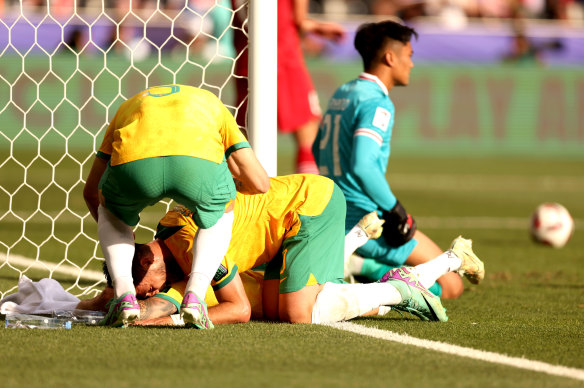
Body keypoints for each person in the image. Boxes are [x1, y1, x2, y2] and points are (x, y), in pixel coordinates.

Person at [91, 174, 484, 326]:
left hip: (309, 206)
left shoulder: (190, 245)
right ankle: (361, 247)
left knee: (298, 312)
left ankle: (401, 287)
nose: (146, 294)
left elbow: (237, 310)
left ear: (146, 259)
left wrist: (164, 321)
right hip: (282, 229)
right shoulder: (169, 243)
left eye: (141, 287)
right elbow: (171, 297)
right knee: (279, 307)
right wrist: (93, 306)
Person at [312, 20, 484, 298]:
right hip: (368, 222)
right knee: (452, 285)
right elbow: (363, 165)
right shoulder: (377, 101)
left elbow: (316, 148)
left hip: (331, 215)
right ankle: (363, 265)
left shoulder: (343, 92)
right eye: (409, 55)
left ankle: (358, 262)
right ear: (390, 57)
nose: (412, 64)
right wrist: (396, 211)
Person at [83, 84, 270, 328]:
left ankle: (124, 295)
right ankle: (196, 297)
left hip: (134, 166)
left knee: (111, 213)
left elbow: (90, 191)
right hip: (197, 165)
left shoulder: (129, 106)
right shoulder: (211, 103)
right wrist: (227, 191)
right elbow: (261, 184)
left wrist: (121, 230)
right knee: (221, 213)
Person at [230, 0, 346, 173]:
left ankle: (235, 194)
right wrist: (318, 27)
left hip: (245, 59)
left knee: (243, 137)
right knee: (308, 130)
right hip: (283, 59)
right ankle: (309, 197)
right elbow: (300, 20)